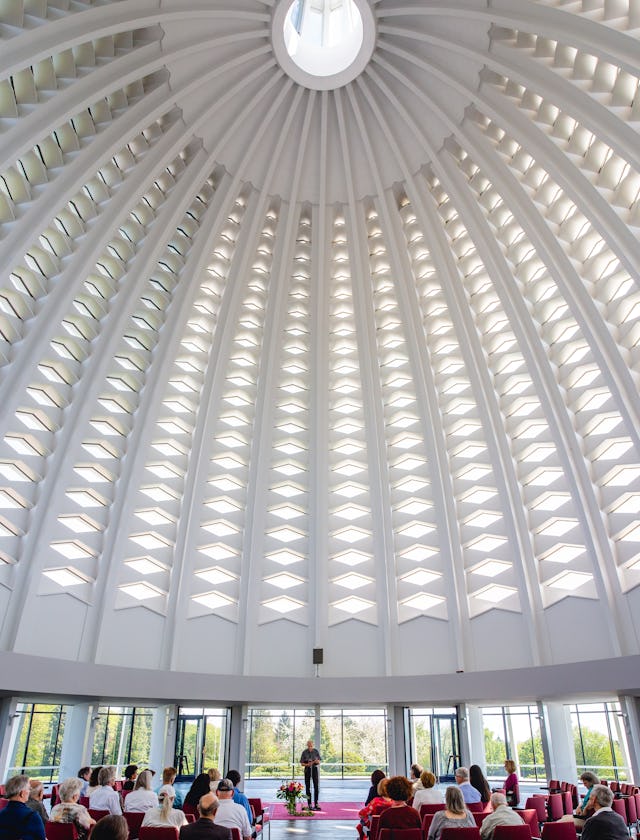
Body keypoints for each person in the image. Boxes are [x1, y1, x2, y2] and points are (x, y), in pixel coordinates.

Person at [0, 774, 46, 840]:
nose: (30, 791)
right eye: (29, 789)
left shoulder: (1, 814)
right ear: (22, 793)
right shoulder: (32, 816)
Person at [300, 739, 321, 811]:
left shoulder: (316, 751)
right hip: (307, 770)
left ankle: (316, 803)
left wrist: (316, 761)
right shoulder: (304, 752)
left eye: (311, 746)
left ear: (313, 745)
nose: (310, 747)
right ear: (307, 745)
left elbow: (319, 761)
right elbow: (302, 763)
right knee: (308, 787)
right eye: (309, 746)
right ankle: (309, 804)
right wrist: (307, 764)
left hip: (314, 769)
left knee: (316, 786)